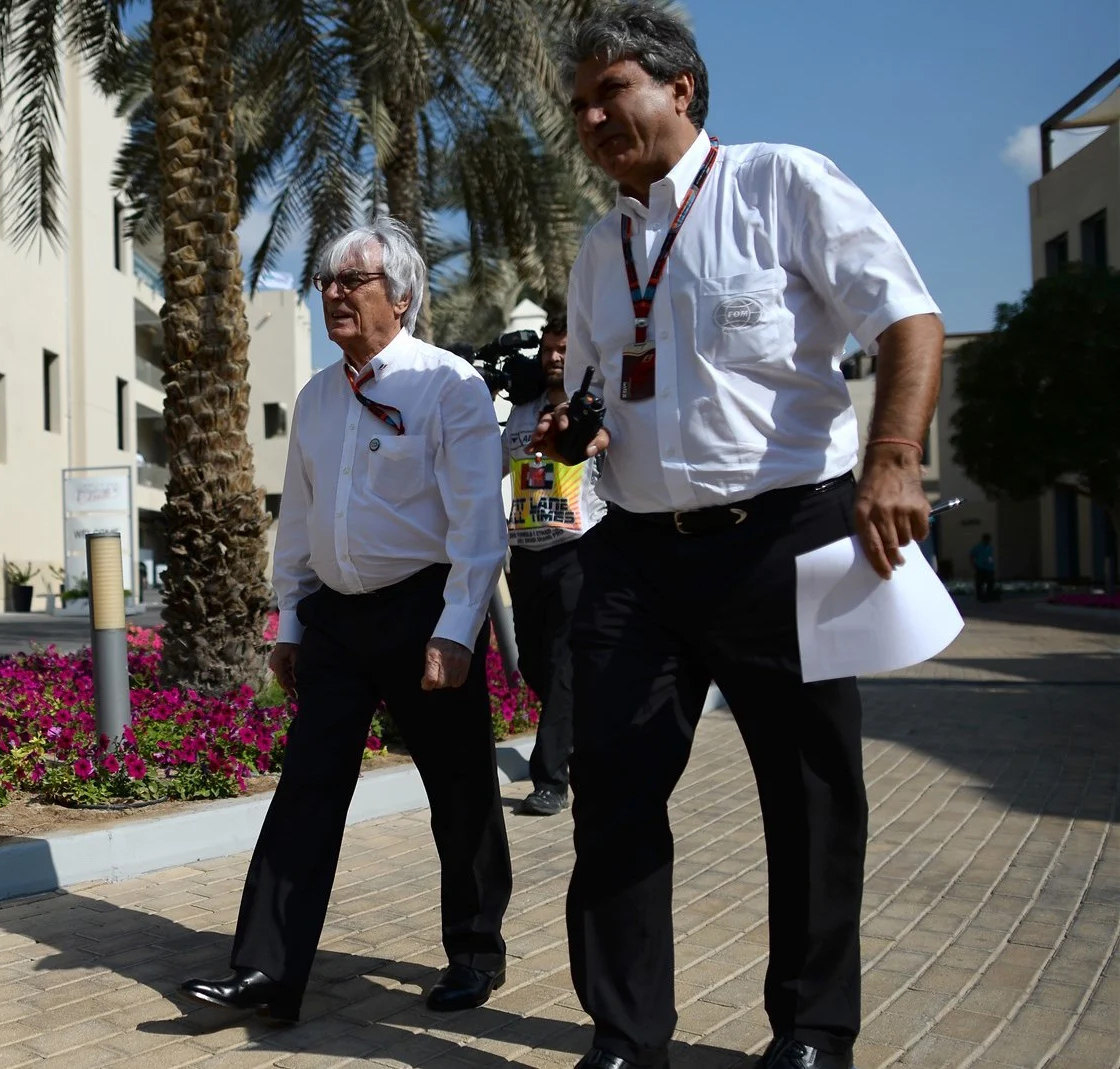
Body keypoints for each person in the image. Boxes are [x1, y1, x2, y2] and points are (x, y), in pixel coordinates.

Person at [531, 6, 944, 1068]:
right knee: (612, 787)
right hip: (633, 548)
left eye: (607, 90)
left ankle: (811, 1033)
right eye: (577, 104)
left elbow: (905, 318)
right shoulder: (597, 246)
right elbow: (596, 394)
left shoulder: (781, 185)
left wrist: (893, 455)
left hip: (785, 534)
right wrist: (574, 425)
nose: (589, 116)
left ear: (680, 89)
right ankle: (625, 1035)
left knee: (809, 796)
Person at [180, 218, 513, 1022]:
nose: (332, 292)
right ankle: (268, 970)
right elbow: (298, 518)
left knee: (459, 786)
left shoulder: (448, 385)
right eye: (326, 279)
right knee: (306, 790)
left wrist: (458, 628)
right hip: (334, 620)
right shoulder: (317, 397)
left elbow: (478, 523)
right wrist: (290, 622)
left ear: (399, 297)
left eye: (352, 279)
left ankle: (474, 951)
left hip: (423, 610)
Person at [502, 315, 605, 818]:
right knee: (534, 664)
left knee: (564, 665)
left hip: (576, 551)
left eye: (564, 348)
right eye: (548, 349)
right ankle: (578, 733)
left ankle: (551, 781)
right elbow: (489, 463)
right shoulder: (520, 412)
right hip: (525, 555)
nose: (555, 357)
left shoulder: (590, 410)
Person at [971, 534, 997, 602]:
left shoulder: (990, 547)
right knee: (980, 582)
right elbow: (972, 555)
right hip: (980, 567)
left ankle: (989, 595)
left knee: (990, 582)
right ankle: (980, 596)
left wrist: (992, 565)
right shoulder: (978, 547)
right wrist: (974, 564)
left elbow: (990, 557)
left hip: (989, 567)